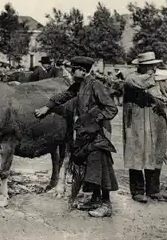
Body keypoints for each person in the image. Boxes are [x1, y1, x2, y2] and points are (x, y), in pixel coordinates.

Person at [35, 56, 119, 218]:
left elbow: (111, 108)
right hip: (85, 132)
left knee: (100, 164)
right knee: (88, 165)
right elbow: (65, 95)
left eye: (74, 69)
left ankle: (106, 204)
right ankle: (95, 200)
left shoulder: (96, 85)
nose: (72, 72)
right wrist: (47, 106)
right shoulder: (79, 85)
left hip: (97, 132)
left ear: (83, 70)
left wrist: (93, 119)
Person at [122, 52, 167, 204]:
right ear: (142, 66)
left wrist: (163, 100)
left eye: (154, 65)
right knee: (137, 153)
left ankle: (153, 190)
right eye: (151, 65)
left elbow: (162, 98)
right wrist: (156, 78)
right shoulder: (132, 77)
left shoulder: (154, 80)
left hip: (154, 123)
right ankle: (137, 191)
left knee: (155, 154)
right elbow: (141, 83)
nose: (154, 68)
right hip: (136, 123)